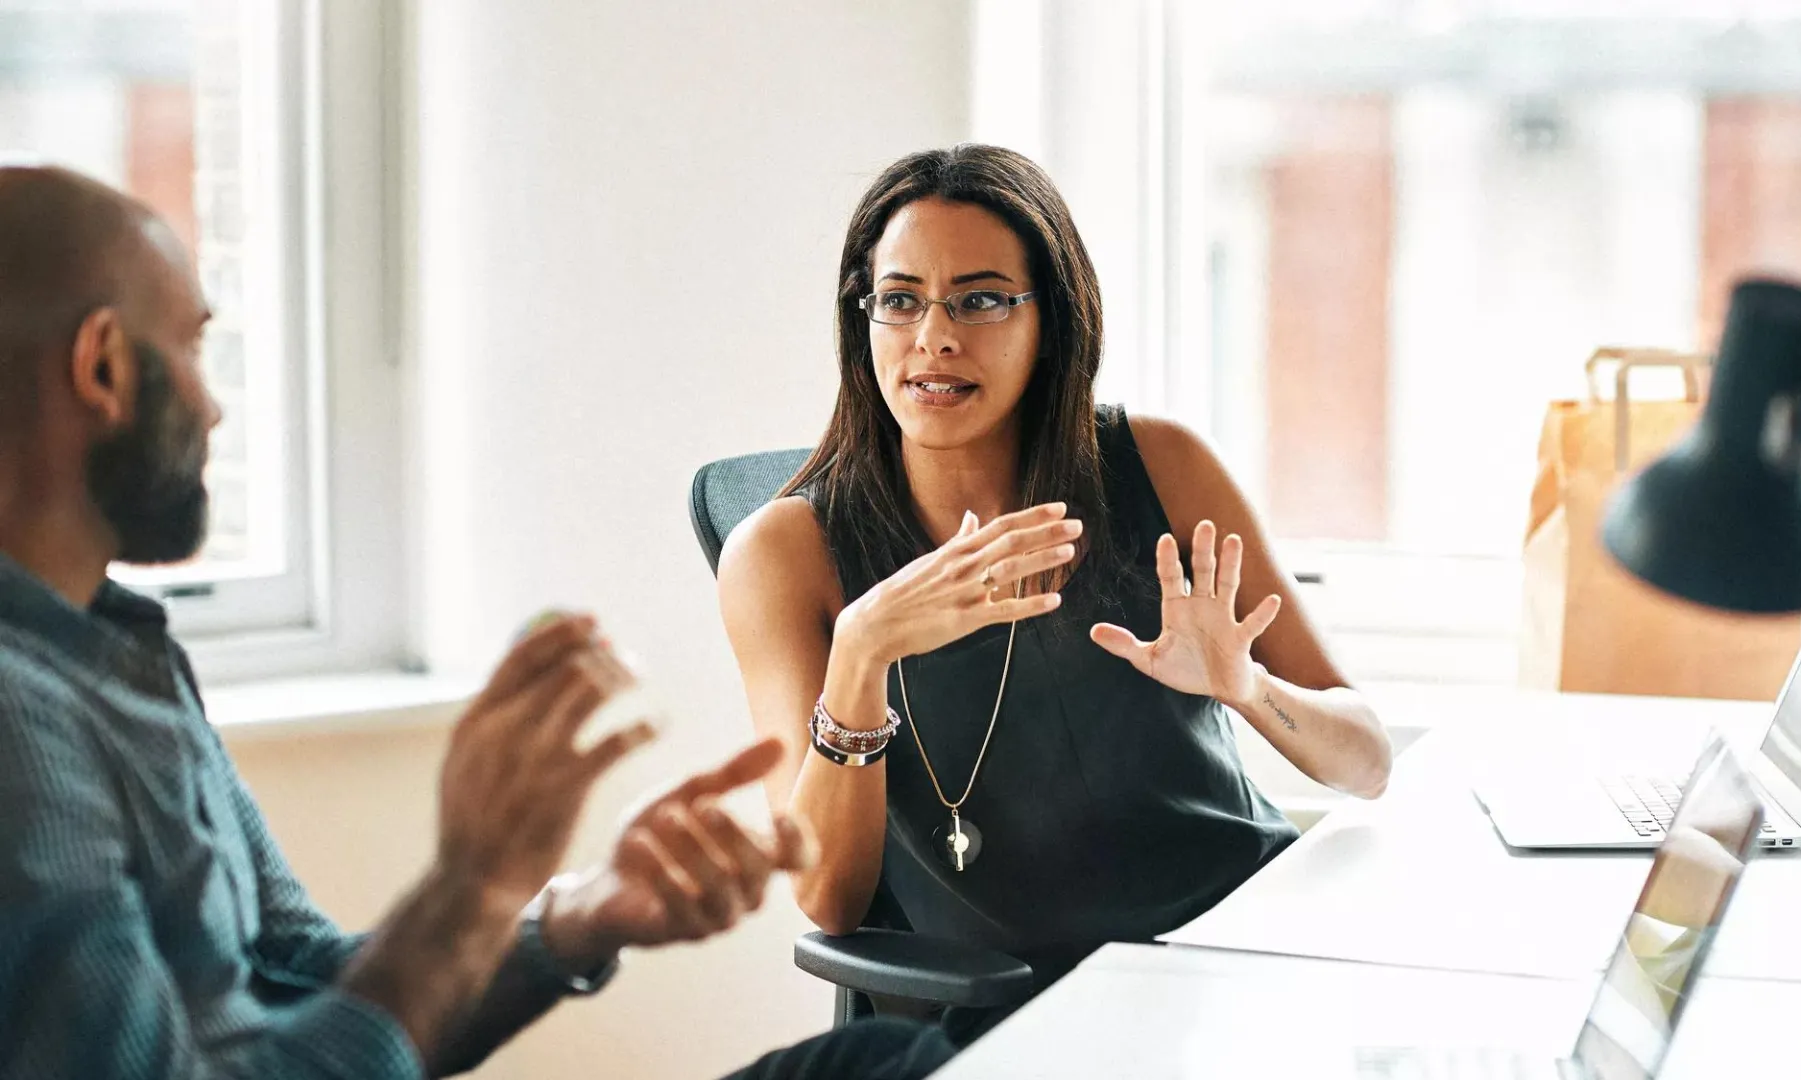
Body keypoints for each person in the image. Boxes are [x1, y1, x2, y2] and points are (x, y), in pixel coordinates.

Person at [0, 166, 953, 1079]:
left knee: (893, 1061)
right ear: (104, 366)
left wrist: (580, 915)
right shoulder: (19, 721)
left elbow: (309, 983)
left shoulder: (123, 650)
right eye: (194, 347)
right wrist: (474, 880)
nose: (212, 410)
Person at [719, 144, 1395, 1042]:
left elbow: (1368, 763)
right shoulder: (784, 553)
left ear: (1054, 319)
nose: (935, 337)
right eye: (900, 299)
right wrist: (861, 653)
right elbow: (829, 901)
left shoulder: (1163, 465)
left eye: (983, 298)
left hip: (1245, 961)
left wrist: (1250, 692)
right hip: (1031, 1017)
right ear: (864, 318)